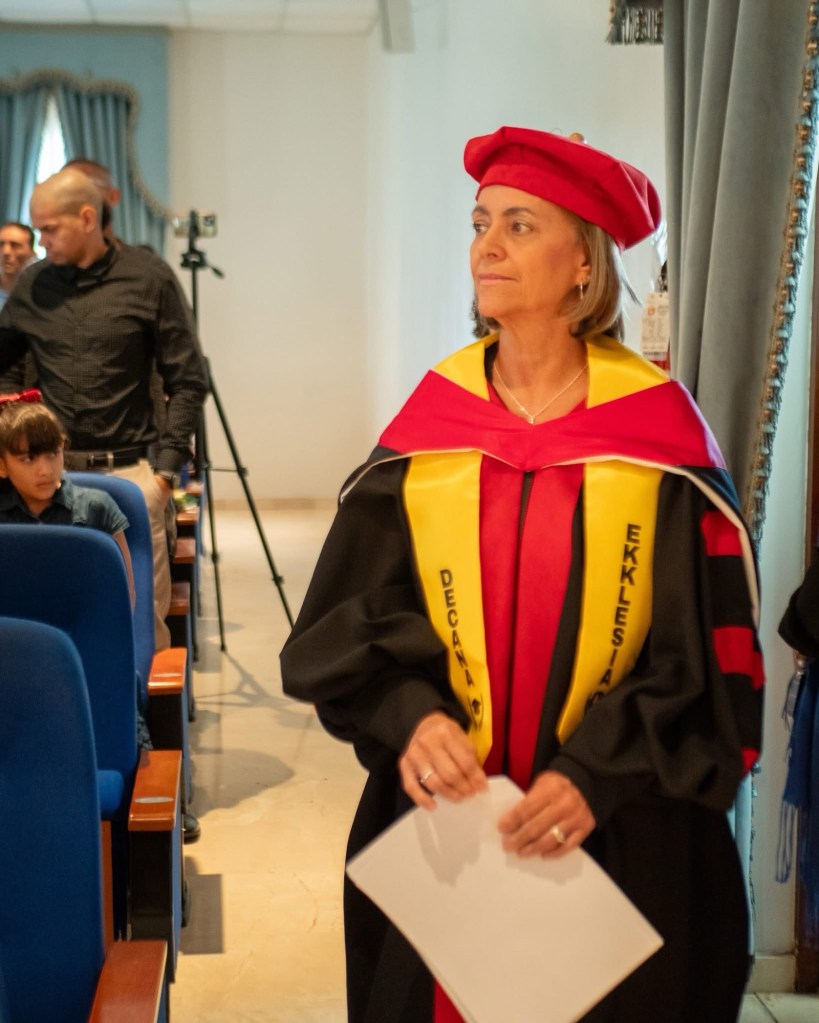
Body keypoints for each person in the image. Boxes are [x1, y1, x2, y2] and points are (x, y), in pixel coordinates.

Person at [281, 126, 764, 1023]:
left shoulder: (659, 439)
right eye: (480, 224)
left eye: (519, 225)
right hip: (450, 834)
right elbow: (347, 621)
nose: (487, 247)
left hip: (617, 831)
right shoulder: (430, 429)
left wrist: (595, 771)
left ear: (583, 263)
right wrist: (412, 716)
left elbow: (700, 661)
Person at [0, 167, 208, 651]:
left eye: (50, 229)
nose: (40, 241)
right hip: (48, 480)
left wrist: (164, 475)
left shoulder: (148, 277)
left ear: (87, 218)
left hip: (131, 475)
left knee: (137, 629)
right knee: (50, 622)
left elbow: (188, 379)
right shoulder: (34, 284)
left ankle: (138, 705)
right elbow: (5, 363)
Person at [0, 389, 135, 606]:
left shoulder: (97, 507)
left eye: (53, 454)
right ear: (2, 466)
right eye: (28, 459)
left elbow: (124, 598)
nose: (45, 471)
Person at [0, 221, 37, 309]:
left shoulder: (40, 294)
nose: (6, 252)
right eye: (1, 244)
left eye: (15, 245)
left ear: (31, 253)